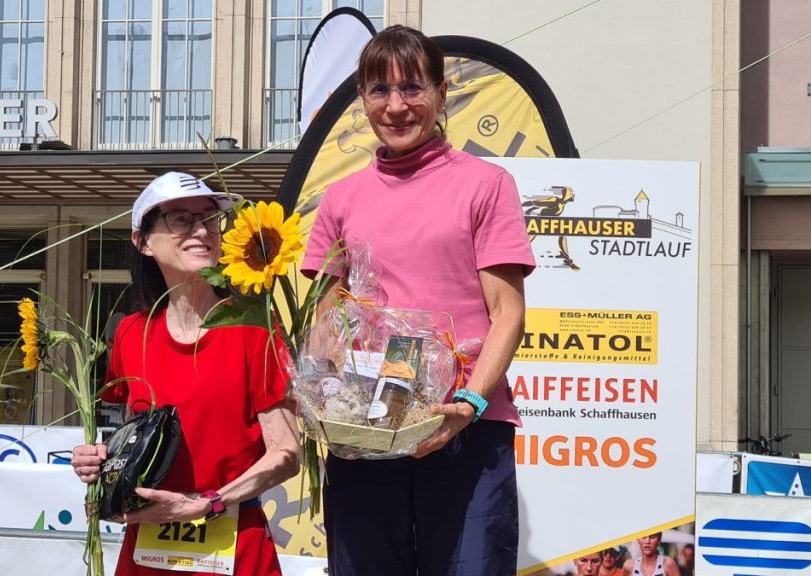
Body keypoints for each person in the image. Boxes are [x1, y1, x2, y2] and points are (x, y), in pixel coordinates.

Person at [301, 25, 534, 576]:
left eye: (412, 87)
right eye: (379, 90)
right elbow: (327, 320)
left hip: (462, 426)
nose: (396, 105)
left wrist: (470, 404)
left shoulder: (486, 184)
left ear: (441, 93)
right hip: (365, 429)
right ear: (362, 99)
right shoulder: (340, 199)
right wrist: (319, 397)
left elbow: (508, 312)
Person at [71, 171, 300, 575]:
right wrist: (100, 462)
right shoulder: (131, 333)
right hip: (146, 552)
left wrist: (207, 504)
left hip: (234, 548)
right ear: (143, 241)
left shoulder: (255, 326)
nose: (201, 230)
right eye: (180, 219)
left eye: (210, 218)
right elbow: (136, 442)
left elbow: (287, 454)